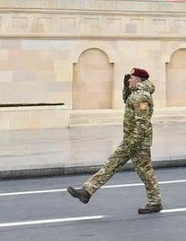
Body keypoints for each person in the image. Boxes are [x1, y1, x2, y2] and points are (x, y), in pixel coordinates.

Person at [67, 67, 162, 214]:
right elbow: (126, 100)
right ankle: (87, 191)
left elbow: (142, 123)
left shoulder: (142, 96)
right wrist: (126, 86)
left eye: (131, 78)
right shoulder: (135, 93)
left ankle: (155, 202)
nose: (129, 79)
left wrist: (134, 143)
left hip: (138, 142)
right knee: (111, 164)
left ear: (138, 80)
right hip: (130, 140)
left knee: (145, 172)